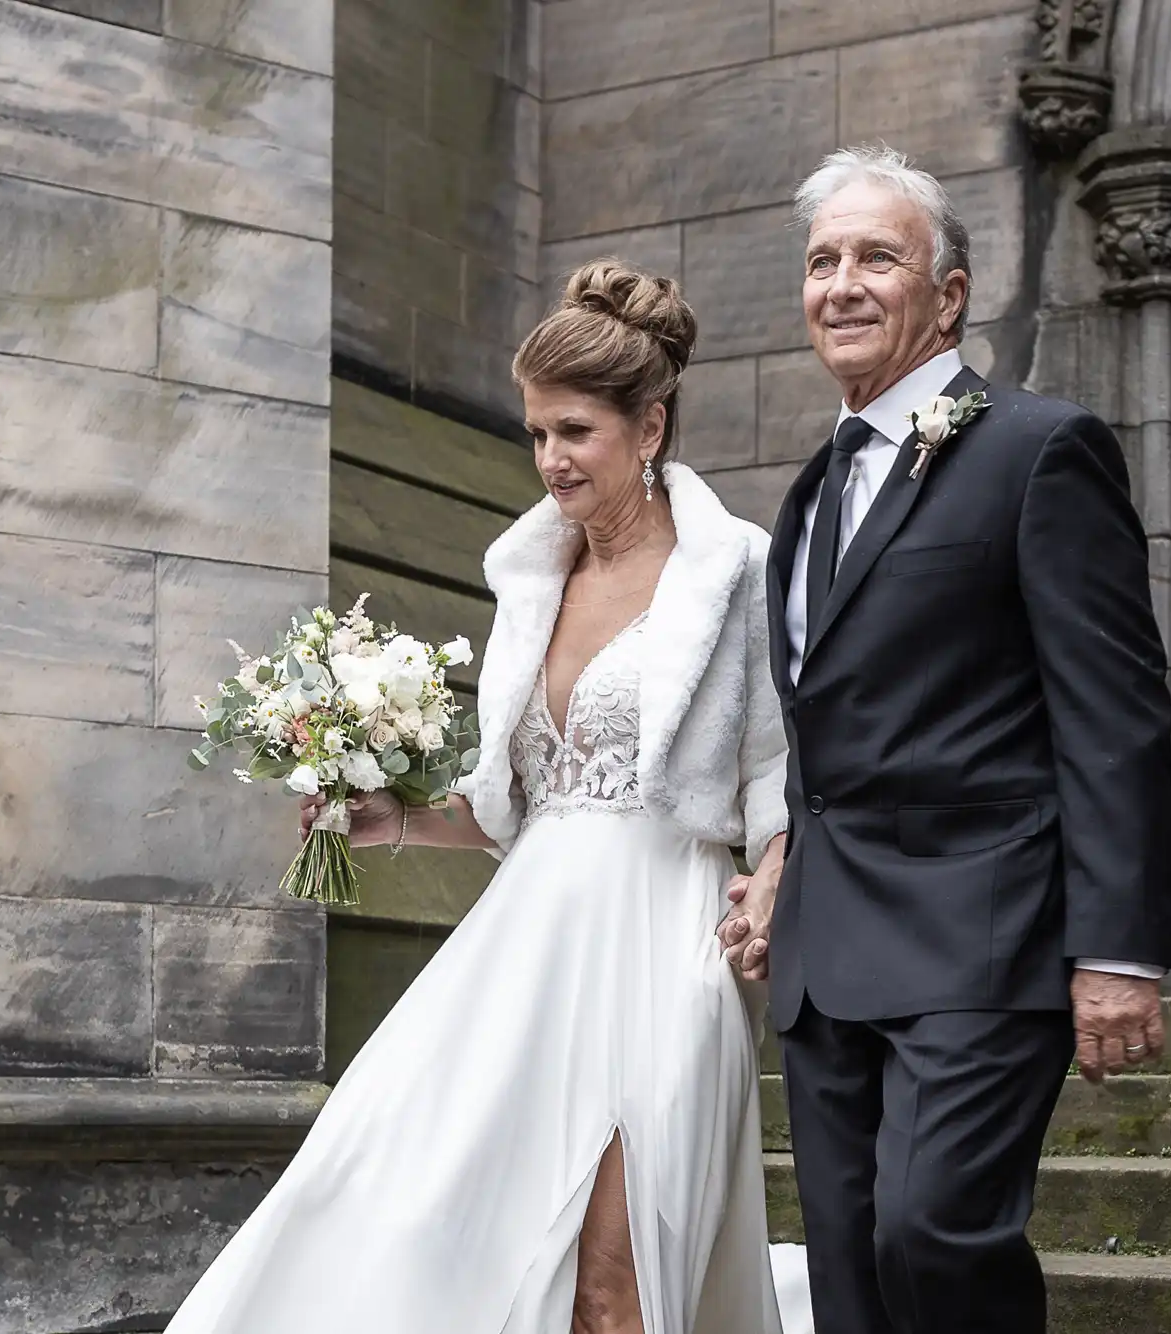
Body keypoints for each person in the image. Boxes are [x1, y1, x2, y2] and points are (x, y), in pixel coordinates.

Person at [163, 260, 800, 1334]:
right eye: (536, 433)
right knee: (396, 1205)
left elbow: (781, 769)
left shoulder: (736, 568)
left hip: (662, 940)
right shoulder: (531, 576)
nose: (549, 460)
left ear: (648, 429)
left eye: (574, 432)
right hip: (523, 950)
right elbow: (514, 800)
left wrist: (776, 871)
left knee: (619, 1279)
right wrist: (393, 816)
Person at [720, 145, 1171, 1334]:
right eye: (821, 260)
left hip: (982, 935)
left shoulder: (1039, 449)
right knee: (848, 1276)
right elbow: (823, 726)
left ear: (950, 292)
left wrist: (1118, 946)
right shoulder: (811, 492)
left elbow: (1111, 710)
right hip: (829, 956)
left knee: (931, 1231)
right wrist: (777, 869)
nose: (841, 283)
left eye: (876, 255)